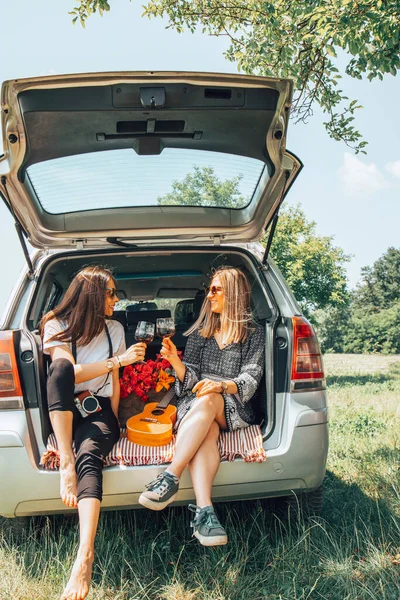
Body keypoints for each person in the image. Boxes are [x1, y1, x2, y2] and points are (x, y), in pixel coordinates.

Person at [139, 266, 265, 546]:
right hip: (196, 405)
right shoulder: (200, 333)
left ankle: (171, 476)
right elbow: (190, 379)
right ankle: (205, 513)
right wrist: (176, 362)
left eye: (215, 289)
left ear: (233, 292)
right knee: (206, 429)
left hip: (233, 404)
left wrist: (220, 386)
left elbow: (251, 377)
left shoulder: (253, 334)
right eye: (209, 289)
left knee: (210, 399)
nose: (209, 295)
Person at [41, 266, 145, 600]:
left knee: (92, 454)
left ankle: (84, 557)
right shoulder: (55, 325)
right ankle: (65, 462)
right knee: (60, 368)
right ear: (93, 295)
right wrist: (119, 361)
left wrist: (113, 421)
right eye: (111, 293)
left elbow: (113, 383)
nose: (116, 299)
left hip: (98, 409)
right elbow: (69, 373)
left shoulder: (115, 328)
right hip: (64, 408)